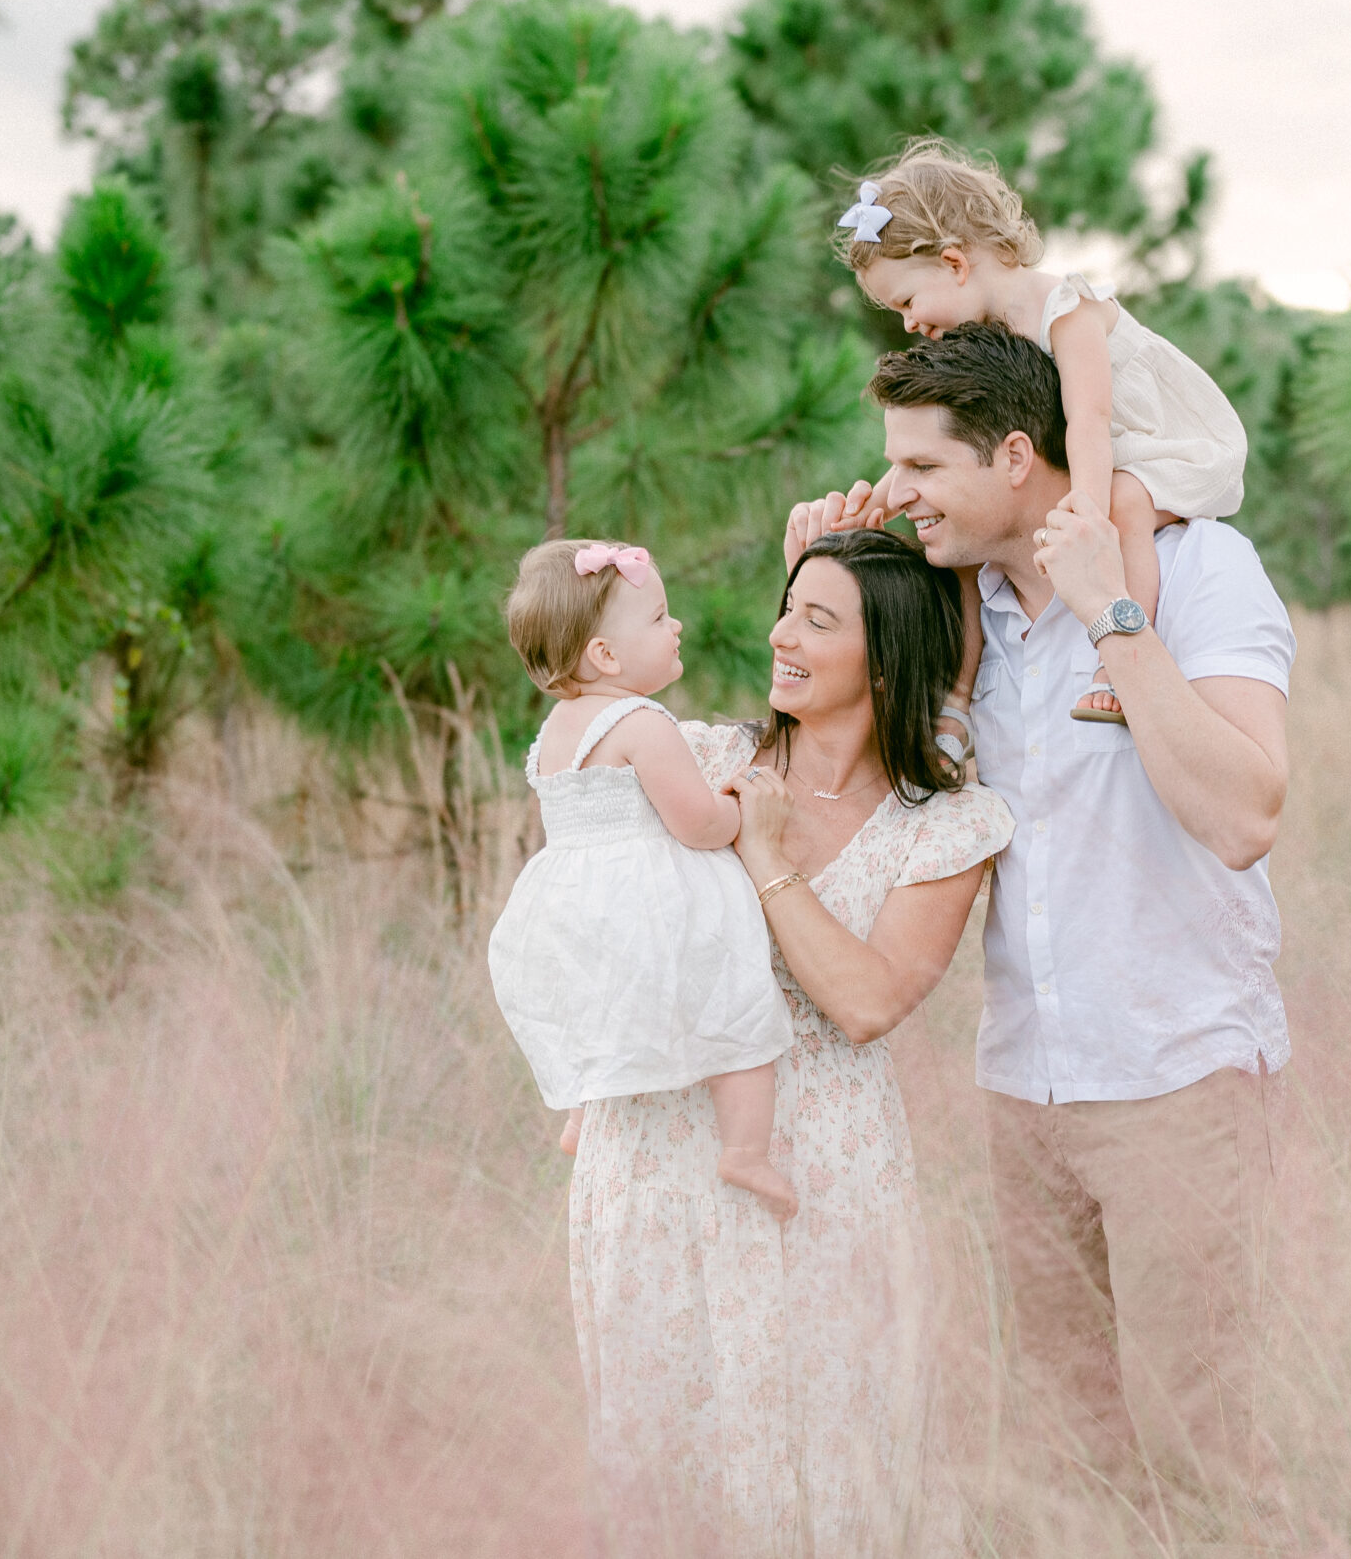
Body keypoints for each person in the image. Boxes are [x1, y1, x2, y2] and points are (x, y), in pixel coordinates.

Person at [788, 323, 1295, 1539]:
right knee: (1065, 1454)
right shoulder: (954, 614)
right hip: (1025, 1092)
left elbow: (1242, 814)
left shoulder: (1199, 570)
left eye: (921, 467)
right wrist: (813, 584)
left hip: (1179, 1078)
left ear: (1016, 456)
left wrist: (1111, 612)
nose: (896, 489)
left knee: (1202, 1446)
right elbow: (849, 814)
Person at [565, 528, 1014, 1555]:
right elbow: (596, 906)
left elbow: (866, 998)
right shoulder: (704, 760)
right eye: (788, 606)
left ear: (889, 659)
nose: (781, 636)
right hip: (660, 1154)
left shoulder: (942, 825)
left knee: (841, 1447)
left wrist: (765, 857)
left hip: (830, 1171)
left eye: (820, 619)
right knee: (670, 1450)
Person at [837, 137, 1249, 725]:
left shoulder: (1064, 308)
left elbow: (1090, 419)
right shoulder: (980, 328)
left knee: (1126, 505)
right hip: (1104, 445)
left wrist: (1087, 509)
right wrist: (879, 499)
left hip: (1161, 441)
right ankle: (956, 704)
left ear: (954, 263)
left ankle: (1120, 652)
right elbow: (939, 442)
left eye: (906, 300)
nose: (907, 322)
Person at [486, 539, 799, 1217]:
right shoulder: (643, 723)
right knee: (733, 1002)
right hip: (651, 902)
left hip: (576, 909)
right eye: (659, 618)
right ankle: (745, 1149)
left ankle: (584, 1107)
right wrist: (737, 803)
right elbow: (694, 823)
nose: (677, 625)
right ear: (606, 656)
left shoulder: (555, 731)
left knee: (600, 1003)